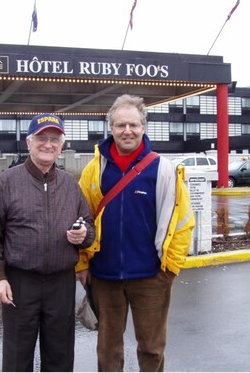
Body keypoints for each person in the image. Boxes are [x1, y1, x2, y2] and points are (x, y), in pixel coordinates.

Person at [76, 94, 195, 372]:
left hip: (151, 277)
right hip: (104, 277)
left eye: (133, 124)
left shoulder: (162, 169)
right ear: (111, 128)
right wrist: (82, 264)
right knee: (108, 349)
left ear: (143, 126)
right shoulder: (95, 170)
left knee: (152, 348)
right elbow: (81, 219)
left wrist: (170, 268)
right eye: (120, 125)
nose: (127, 131)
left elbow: (183, 222)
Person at [0, 113, 95, 372]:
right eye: (42, 138)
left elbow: (90, 228)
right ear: (29, 142)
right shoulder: (7, 182)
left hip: (61, 283)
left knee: (60, 357)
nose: (48, 144)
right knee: (18, 358)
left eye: (55, 139)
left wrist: (82, 234)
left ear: (62, 145)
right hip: (20, 282)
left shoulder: (70, 185)